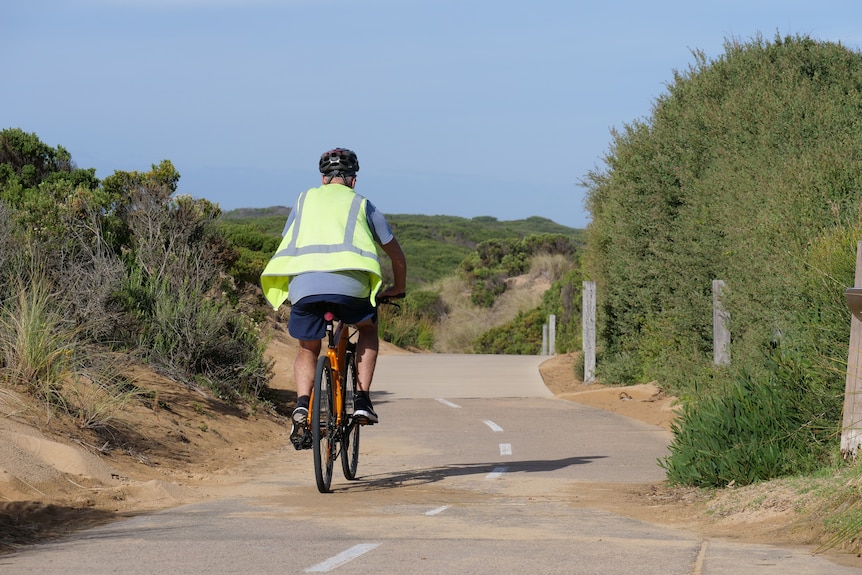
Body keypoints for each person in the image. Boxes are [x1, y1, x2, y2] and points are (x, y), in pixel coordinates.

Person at [260, 148, 407, 449]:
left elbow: (288, 239)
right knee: (366, 328)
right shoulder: (362, 204)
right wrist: (397, 288)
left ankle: (302, 404)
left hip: (305, 286)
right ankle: (363, 398)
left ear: (322, 179)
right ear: (353, 180)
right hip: (350, 287)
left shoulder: (303, 200)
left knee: (307, 348)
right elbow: (395, 253)